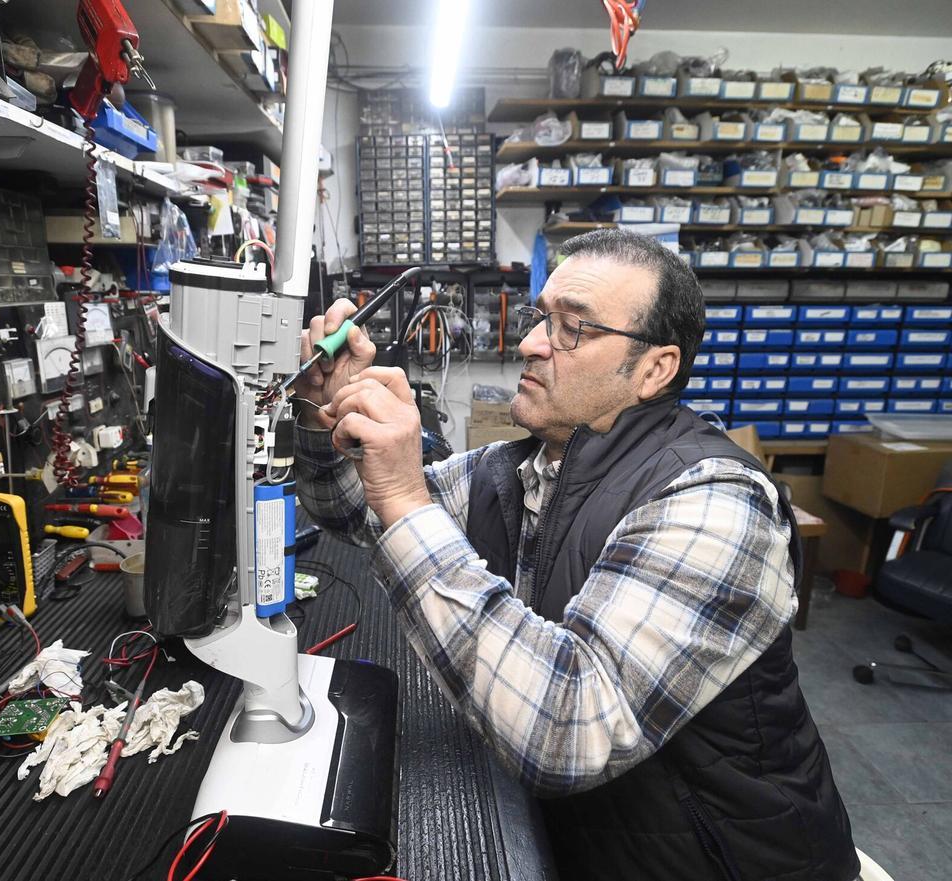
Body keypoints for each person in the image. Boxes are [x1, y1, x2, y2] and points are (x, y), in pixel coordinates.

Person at [291, 229, 858, 881]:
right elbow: (350, 509)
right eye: (540, 318)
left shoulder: (715, 502)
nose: (530, 342)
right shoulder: (518, 471)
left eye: (573, 330)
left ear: (654, 369)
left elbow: (565, 726)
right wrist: (323, 408)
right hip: (584, 844)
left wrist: (404, 494)